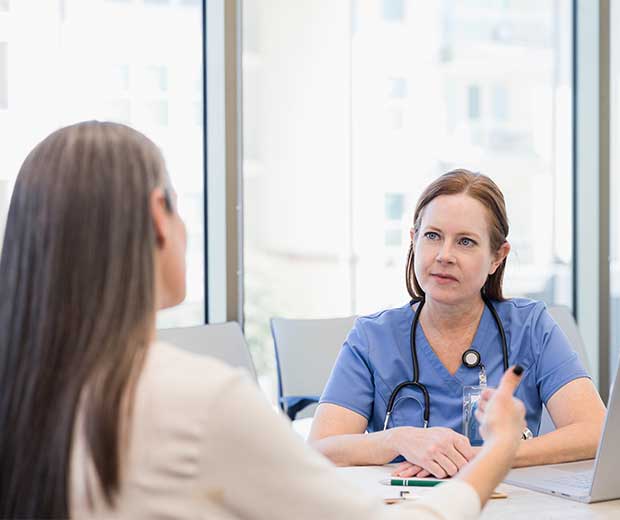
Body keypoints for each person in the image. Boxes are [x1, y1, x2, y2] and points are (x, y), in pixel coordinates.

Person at [0, 122, 527, 519]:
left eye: (465, 242)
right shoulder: (198, 402)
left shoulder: (24, 390)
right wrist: (499, 448)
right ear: (159, 217)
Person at [310, 169, 606, 479]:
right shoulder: (373, 338)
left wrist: (489, 456)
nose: (444, 255)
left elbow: (595, 431)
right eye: (432, 236)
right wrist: (397, 438)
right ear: (414, 240)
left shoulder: (530, 327)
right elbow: (320, 450)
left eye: (465, 242)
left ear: (497, 258)